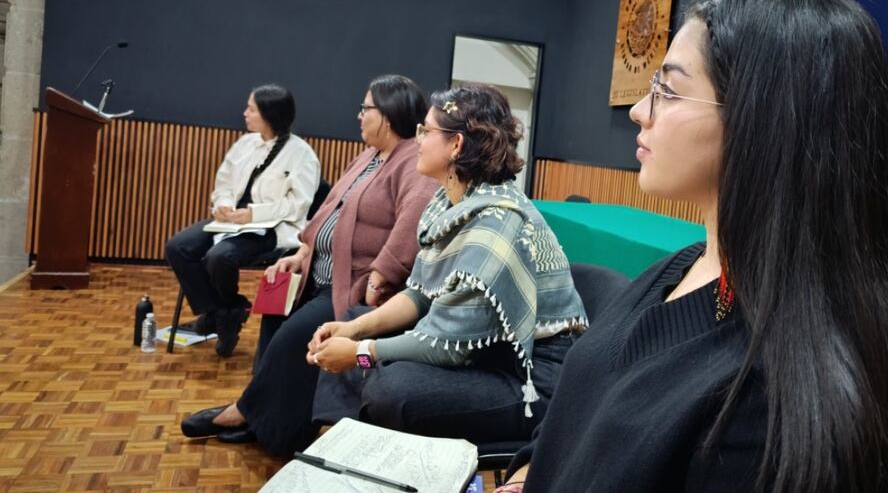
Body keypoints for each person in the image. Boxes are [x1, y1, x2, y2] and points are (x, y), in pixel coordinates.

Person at [498, 0, 888, 492]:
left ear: (762, 121)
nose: (640, 111)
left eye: (669, 90)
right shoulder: (682, 266)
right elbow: (573, 421)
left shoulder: (770, 407)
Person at [306, 84, 588, 445]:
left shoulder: (496, 222)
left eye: (426, 131)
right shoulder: (450, 202)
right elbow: (421, 295)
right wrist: (357, 331)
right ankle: (345, 452)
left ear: (455, 145)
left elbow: (445, 346)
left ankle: (356, 453)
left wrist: (360, 353)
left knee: (390, 387)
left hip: (529, 376)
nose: (418, 140)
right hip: (485, 350)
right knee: (349, 323)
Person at [180, 74, 438, 454]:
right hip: (317, 271)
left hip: (351, 283)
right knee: (272, 314)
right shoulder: (367, 156)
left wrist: (383, 271)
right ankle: (269, 421)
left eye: (365, 108)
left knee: (292, 339)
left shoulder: (409, 163)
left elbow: (410, 225)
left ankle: (242, 411)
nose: (359, 116)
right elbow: (329, 208)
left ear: (386, 114)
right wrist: (300, 254)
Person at [165, 84, 320, 357]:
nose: (244, 113)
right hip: (232, 221)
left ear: (269, 114)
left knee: (219, 257)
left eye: (251, 108)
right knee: (178, 247)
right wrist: (223, 205)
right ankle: (226, 310)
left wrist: (254, 214)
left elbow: (297, 205)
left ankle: (221, 314)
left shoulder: (302, 154)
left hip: (272, 227)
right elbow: (223, 182)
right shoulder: (245, 144)